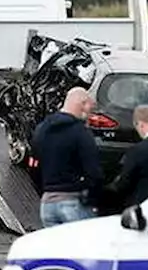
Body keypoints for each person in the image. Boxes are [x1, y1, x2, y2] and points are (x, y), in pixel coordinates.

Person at [32, 87, 105, 228]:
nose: (91, 112)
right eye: (91, 106)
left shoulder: (42, 129)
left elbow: (34, 165)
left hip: (47, 205)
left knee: (57, 249)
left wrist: (45, 188)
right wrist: (93, 198)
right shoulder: (81, 132)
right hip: (73, 202)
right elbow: (94, 172)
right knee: (86, 247)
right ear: (82, 104)